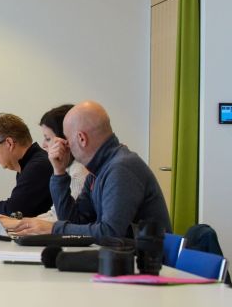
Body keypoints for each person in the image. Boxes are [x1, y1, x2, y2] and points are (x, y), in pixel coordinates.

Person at [12, 101, 171, 238]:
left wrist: (53, 228)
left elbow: (110, 233)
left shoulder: (121, 167)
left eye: (66, 139)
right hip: (125, 259)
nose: (64, 146)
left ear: (81, 138)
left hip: (149, 266)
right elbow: (75, 221)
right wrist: (59, 172)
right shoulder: (99, 170)